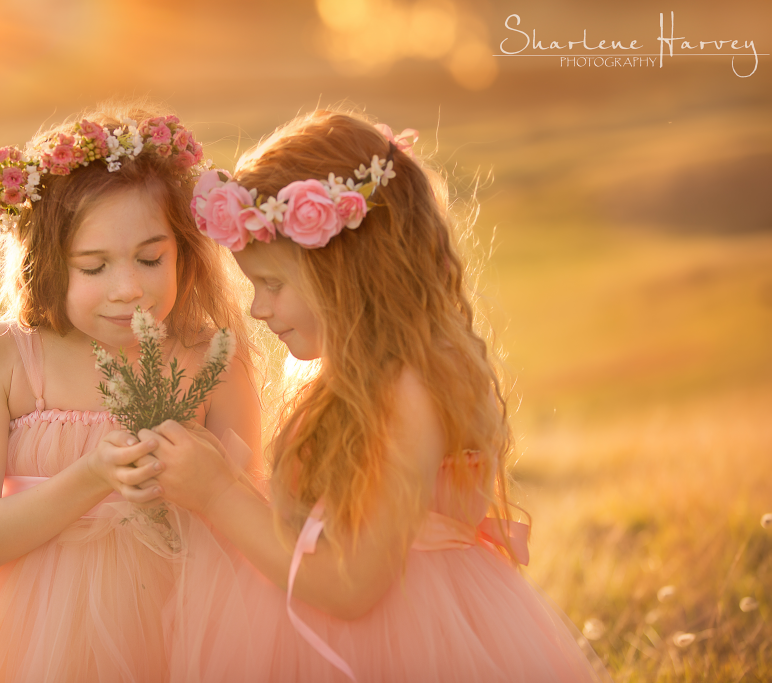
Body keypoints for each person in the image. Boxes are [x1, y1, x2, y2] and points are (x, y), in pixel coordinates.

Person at [145, 109, 610, 682]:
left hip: (402, 638)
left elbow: (350, 588)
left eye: (273, 284)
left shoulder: (405, 392)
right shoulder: (361, 372)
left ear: (349, 270)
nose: (259, 309)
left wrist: (218, 495)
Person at [0, 104, 261, 683]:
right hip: (21, 639)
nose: (129, 289)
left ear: (184, 250)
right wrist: (94, 474)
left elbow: (247, 532)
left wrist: (195, 485)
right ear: (47, 265)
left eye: (151, 258)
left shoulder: (212, 359)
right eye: (93, 267)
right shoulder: (4, 357)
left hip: (178, 630)